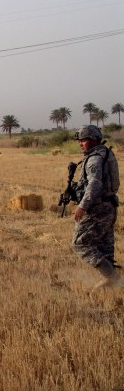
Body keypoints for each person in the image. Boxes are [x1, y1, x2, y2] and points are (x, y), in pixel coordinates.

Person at [72, 125, 121, 292]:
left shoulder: (94, 159)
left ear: (93, 140)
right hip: (109, 206)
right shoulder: (105, 153)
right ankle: (114, 287)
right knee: (104, 249)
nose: (80, 144)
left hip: (98, 208)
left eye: (83, 140)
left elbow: (94, 183)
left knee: (80, 244)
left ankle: (111, 277)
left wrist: (82, 206)